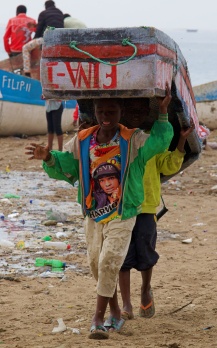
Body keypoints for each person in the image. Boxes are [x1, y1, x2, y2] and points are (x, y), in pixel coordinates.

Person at [25, 84, 174, 340]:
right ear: (95, 112)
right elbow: (67, 164)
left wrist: (162, 113)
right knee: (97, 265)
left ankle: (98, 317)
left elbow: (160, 143)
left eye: (112, 111)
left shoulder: (133, 139)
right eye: (101, 110)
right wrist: (48, 157)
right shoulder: (83, 140)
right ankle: (115, 311)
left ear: (121, 112)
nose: (106, 116)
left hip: (123, 212)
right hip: (93, 213)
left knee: (110, 261)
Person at [118, 98, 195, 321]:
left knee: (145, 254)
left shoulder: (152, 142)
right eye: (130, 108)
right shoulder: (117, 139)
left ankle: (145, 289)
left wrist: (181, 141)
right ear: (123, 110)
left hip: (146, 207)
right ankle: (126, 303)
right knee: (122, 256)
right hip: (121, 207)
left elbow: (170, 164)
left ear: (146, 112)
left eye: (139, 109)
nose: (134, 113)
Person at [22, 0, 64, 77]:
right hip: (59, 40)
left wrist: (34, 40)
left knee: (25, 48)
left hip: (46, 39)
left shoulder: (43, 13)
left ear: (45, 6)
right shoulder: (60, 13)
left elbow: (39, 30)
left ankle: (27, 72)